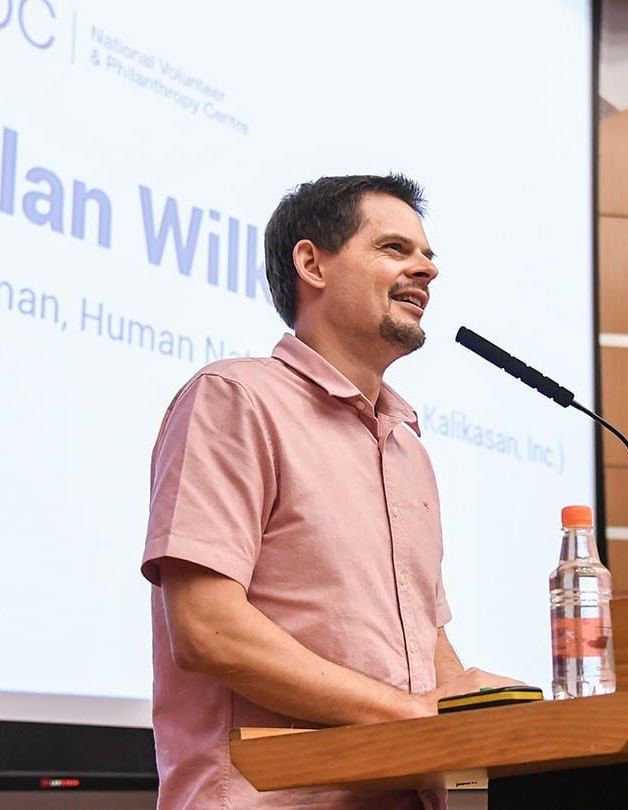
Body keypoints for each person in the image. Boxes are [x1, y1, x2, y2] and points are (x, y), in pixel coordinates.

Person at [140, 174, 519, 809]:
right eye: (395, 249)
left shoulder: (407, 446)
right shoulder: (235, 400)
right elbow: (207, 629)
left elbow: (425, 642)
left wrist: (479, 715)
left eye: (428, 255)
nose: (426, 270)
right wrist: (414, 715)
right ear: (312, 263)